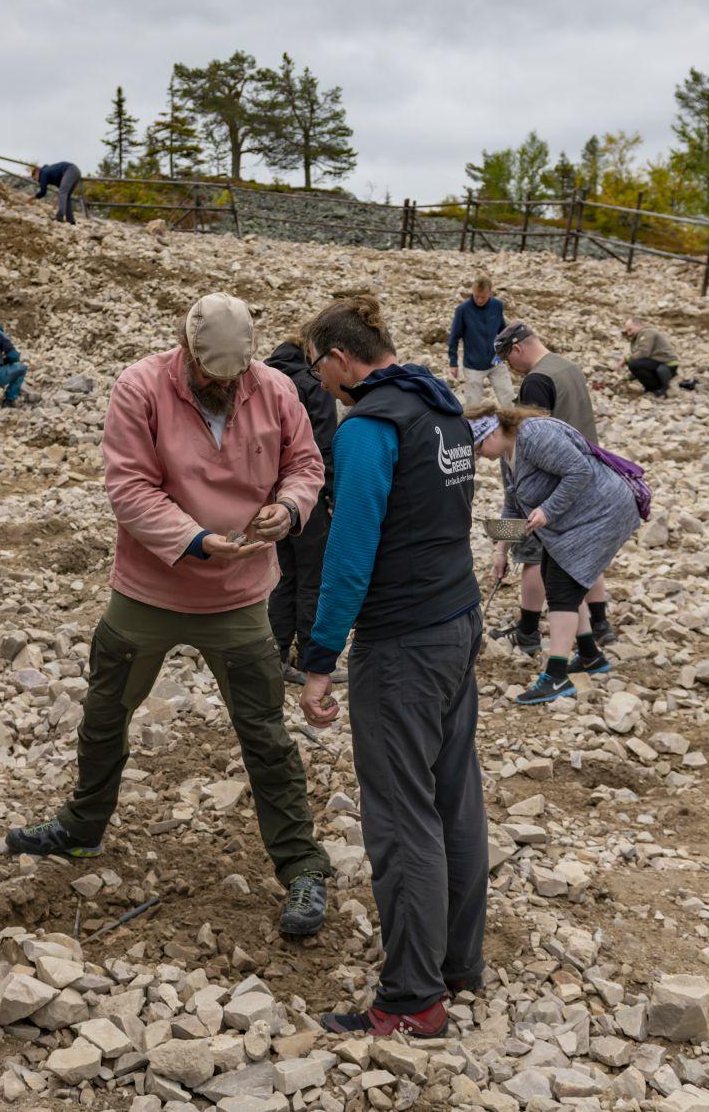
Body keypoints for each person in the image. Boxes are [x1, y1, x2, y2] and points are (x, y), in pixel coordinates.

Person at [4, 293, 333, 937]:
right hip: (150, 590)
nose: (223, 386)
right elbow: (128, 485)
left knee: (264, 734)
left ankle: (301, 866)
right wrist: (192, 539)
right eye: (211, 375)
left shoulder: (273, 390)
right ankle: (82, 826)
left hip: (240, 596)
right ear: (184, 349)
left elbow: (306, 465)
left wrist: (289, 510)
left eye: (233, 376)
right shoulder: (140, 386)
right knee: (104, 715)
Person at [297, 295, 484, 1038]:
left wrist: (319, 657)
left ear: (341, 358)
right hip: (456, 617)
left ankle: (412, 998)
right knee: (452, 794)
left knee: (401, 815)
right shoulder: (440, 409)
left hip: (404, 639)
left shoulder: (371, 425)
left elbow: (351, 553)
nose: (321, 383)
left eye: (319, 369)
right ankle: (457, 961)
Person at [471, 404, 641, 705]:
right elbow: (513, 504)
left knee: (564, 587)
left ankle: (556, 676)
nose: (479, 454)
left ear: (495, 431)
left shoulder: (534, 436)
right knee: (555, 577)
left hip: (603, 512)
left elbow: (580, 471)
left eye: (480, 446)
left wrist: (548, 511)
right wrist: (501, 550)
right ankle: (590, 656)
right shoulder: (507, 455)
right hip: (577, 518)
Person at [492, 321, 617, 647]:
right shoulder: (568, 367)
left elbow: (532, 440)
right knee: (584, 551)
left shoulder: (536, 382)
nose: (512, 369)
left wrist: (505, 542)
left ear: (517, 349)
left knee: (533, 557)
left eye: (508, 361)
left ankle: (529, 631)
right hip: (589, 475)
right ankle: (601, 624)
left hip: (553, 484)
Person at [264, 335, 338, 685]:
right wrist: (331, 494)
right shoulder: (314, 383)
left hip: (267, 495)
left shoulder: (261, 379)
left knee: (284, 576)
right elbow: (323, 446)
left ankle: (276, 654)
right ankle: (311, 660)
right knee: (313, 578)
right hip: (304, 495)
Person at [446, 274, 510, 409]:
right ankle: (471, 429)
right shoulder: (463, 310)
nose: (479, 300)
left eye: (483, 297)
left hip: (496, 361)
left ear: (490, 293)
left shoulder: (497, 305)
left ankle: (516, 427)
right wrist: (453, 363)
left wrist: (504, 353)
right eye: (476, 296)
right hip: (473, 366)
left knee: (509, 397)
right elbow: (454, 337)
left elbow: (503, 331)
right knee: (472, 406)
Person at [621, 317, 680, 398]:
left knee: (633, 363)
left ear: (638, 325)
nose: (628, 334)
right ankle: (653, 388)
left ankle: (658, 389)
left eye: (630, 330)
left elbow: (644, 353)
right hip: (659, 363)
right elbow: (641, 365)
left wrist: (626, 359)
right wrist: (626, 378)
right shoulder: (639, 337)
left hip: (667, 365)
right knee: (634, 363)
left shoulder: (648, 332)